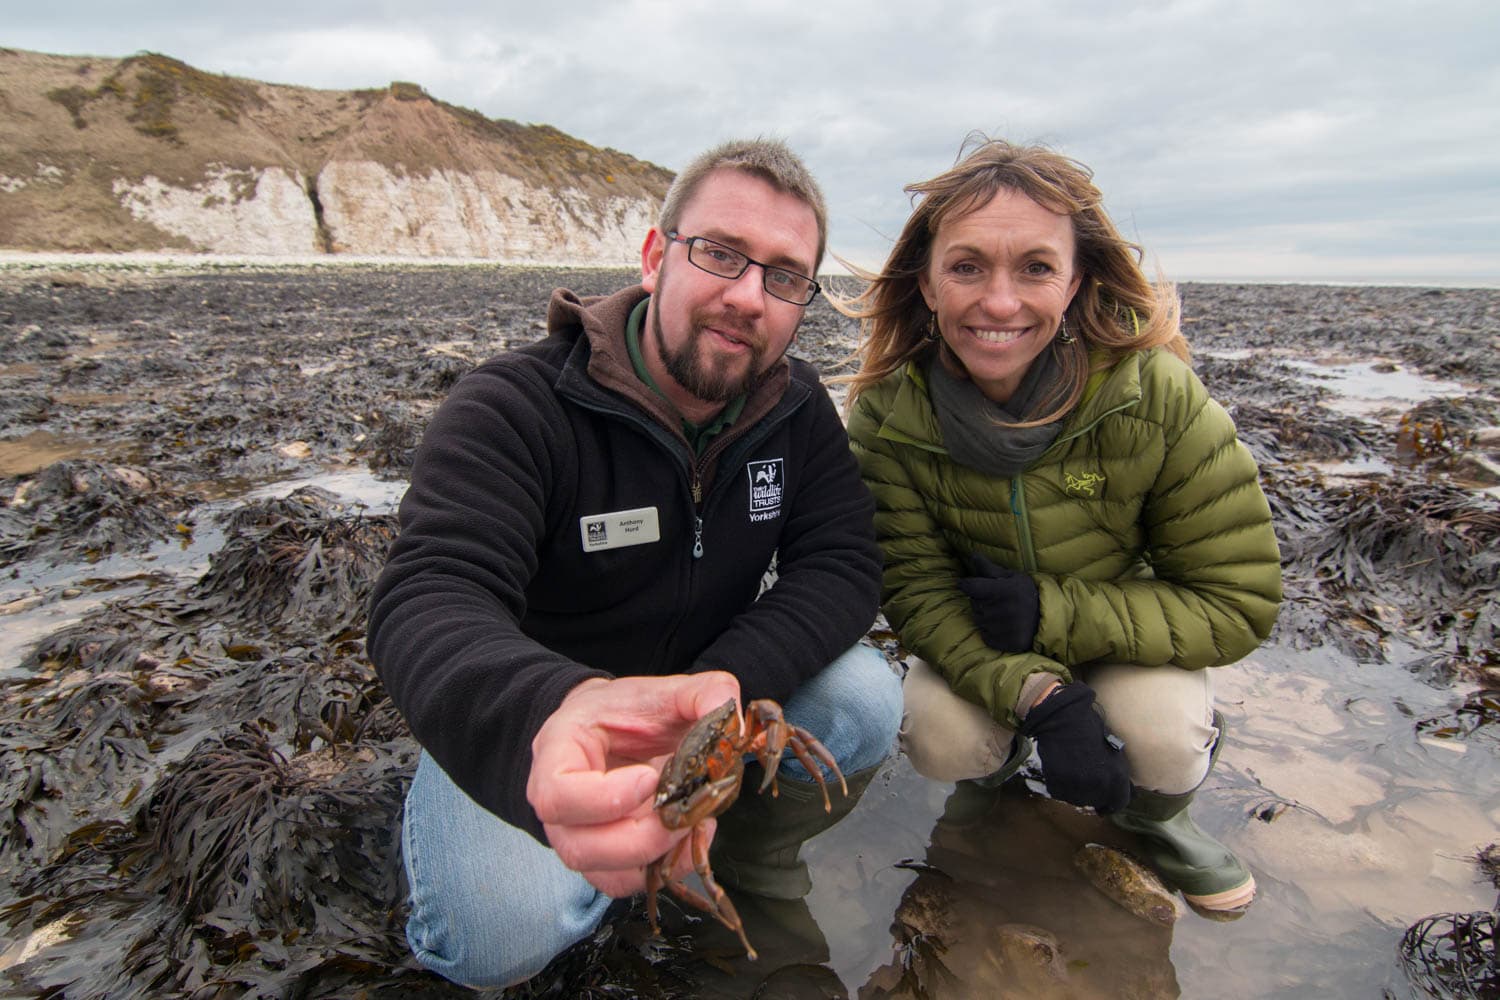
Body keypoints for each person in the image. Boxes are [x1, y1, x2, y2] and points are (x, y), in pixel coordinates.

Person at [366, 138, 901, 989]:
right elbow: (432, 592)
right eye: (720, 252)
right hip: (549, 713)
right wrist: (554, 710)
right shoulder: (514, 407)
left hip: (708, 696)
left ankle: (745, 865)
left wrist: (726, 684)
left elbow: (840, 563)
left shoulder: (797, 412)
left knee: (868, 697)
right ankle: (608, 861)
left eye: (785, 275)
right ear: (657, 255)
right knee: (498, 937)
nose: (747, 296)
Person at [840, 136, 1282, 920]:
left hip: (1126, 630)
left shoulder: (1157, 395)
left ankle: (1159, 819)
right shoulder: (887, 416)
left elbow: (1238, 601)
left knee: (1165, 737)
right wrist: (1043, 698)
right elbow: (915, 594)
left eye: (1035, 267)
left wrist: (1054, 610)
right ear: (928, 282)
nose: (999, 302)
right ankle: (993, 780)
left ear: (1077, 281)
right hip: (990, 644)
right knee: (938, 732)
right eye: (967, 265)